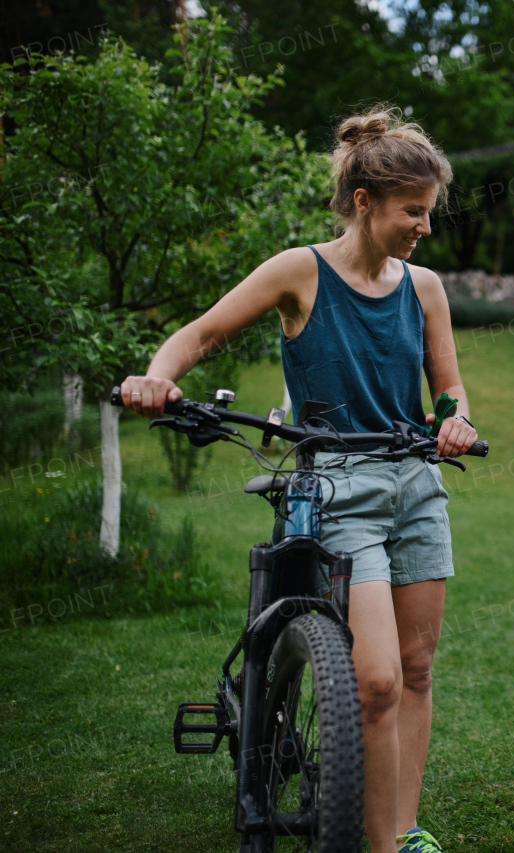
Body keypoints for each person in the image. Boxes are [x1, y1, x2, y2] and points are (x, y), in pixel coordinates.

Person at [119, 107, 472, 853]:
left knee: (415, 668)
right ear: (364, 202)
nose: (425, 228)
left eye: (429, 213)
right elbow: (202, 332)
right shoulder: (298, 271)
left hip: (416, 483)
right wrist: (157, 377)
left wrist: (455, 420)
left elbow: (447, 390)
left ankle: (405, 833)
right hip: (341, 487)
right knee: (374, 679)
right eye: (414, 212)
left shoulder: (426, 287)